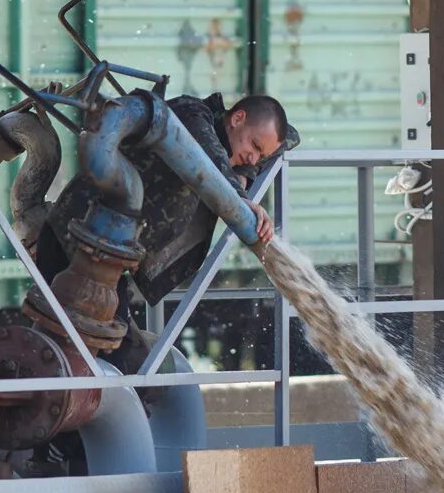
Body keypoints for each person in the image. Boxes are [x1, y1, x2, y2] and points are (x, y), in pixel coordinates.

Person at [36, 91, 298, 369]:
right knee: (110, 358)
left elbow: (290, 138)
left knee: (120, 357)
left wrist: (248, 168)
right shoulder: (190, 115)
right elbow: (209, 156)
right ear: (237, 118)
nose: (253, 156)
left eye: (261, 155)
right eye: (254, 146)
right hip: (74, 246)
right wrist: (241, 198)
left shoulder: (236, 147)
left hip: (106, 260)